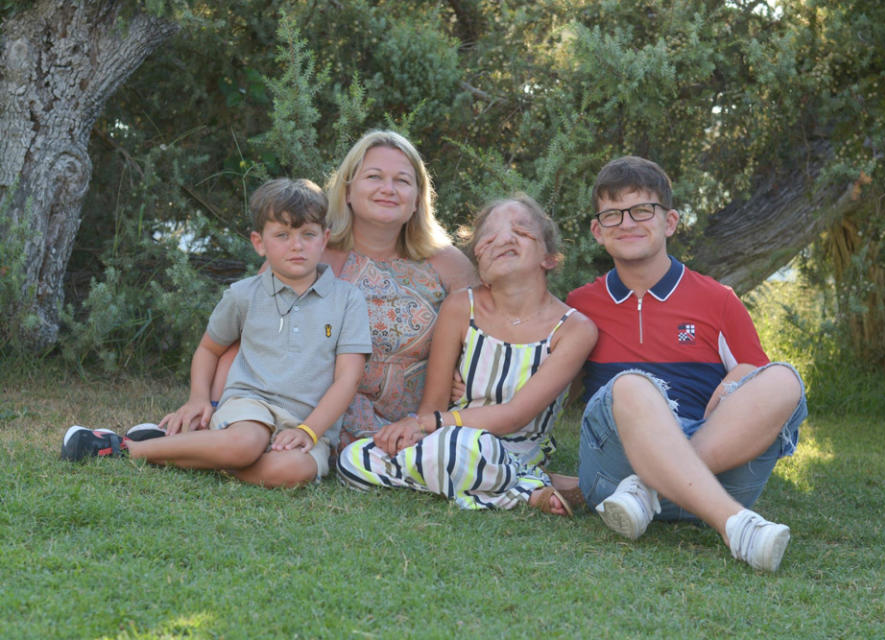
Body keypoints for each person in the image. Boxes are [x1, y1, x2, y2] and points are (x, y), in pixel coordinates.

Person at [567, 156, 807, 571]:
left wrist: (736, 380)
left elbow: (756, 377)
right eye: (612, 214)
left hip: (714, 472)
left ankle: (649, 489)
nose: (627, 223)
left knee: (786, 379)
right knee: (632, 386)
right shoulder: (580, 307)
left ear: (671, 221)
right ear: (597, 231)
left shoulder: (718, 301)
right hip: (613, 474)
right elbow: (549, 390)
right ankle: (735, 527)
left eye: (642, 210)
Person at [60, 178, 372, 488]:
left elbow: (348, 378)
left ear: (324, 238)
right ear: (258, 242)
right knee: (246, 444)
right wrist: (199, 399)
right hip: (250, 408)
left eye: (308, 234)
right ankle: (123, 448)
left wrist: (308, 431)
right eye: (282, 235)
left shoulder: (347, 299)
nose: (297, 245)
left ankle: (200, 452)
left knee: (292, 472)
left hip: (308, 424)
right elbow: (209, 349)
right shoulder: (243, 295)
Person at [208, 131, 477, 451]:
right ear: (347, 190)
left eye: (402, 181)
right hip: (310, 421)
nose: (388, 189)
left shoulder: (447, 262)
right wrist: (210, 406)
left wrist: (468, 376)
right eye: (374, 176)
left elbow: (493, 331)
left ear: (418, 197)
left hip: (417, 429)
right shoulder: (308, 253)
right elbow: (245, 338)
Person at [338, 195, 597, 515]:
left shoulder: (574, 329)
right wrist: (417, 429)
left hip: (511, 447)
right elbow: (432, 404)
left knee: (456, 449)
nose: (504, 238)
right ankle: (526, 487)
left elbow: (515, 415)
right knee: (352, 459)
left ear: (550, 258)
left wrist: (431, 424)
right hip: (449, 435)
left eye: (521, 230)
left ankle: (510, 475)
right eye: (490, 236)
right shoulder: (461, 307)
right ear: (480, 263)